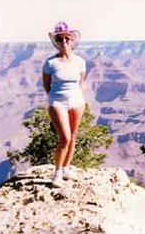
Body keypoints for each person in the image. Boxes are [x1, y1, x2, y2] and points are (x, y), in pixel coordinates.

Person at [42, 21, 86, 188]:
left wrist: (73, 96)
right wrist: (55, 99)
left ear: (72, 40)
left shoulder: (80, 61)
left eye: (67, 39)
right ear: (56, 42)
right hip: (57, 102)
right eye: (60, 39)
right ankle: (57, 174)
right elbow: (47, 85)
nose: (64, 42)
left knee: (73, 137)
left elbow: (79, 82)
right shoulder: (50, 63)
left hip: (77, 102)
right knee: (64, 138)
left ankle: (67, 169)